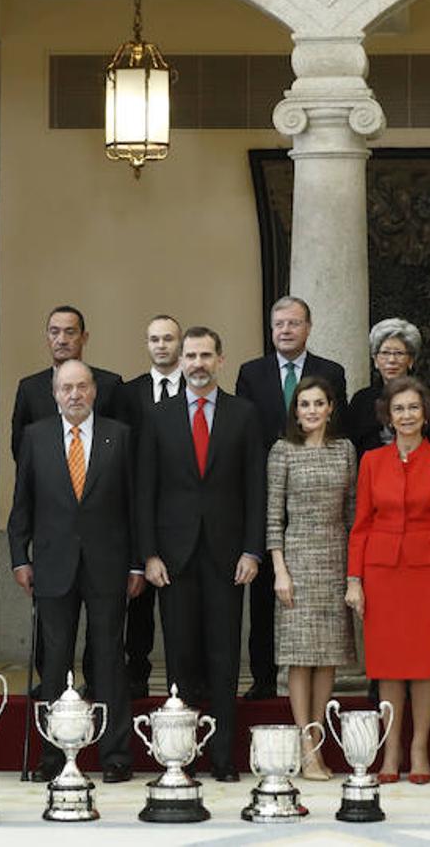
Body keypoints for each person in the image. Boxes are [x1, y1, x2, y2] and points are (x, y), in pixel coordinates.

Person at [138, 326, 265, 781]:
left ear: (220, 360)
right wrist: (149, 554)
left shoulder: (244, 414)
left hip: (229, 557)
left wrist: (253, 550)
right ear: (180, 360)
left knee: (225, 658)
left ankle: (224, 758)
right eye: (190, 355)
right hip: (173, 559)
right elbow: (145, 491)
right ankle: (181, 756)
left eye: (205, 355)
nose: (196, 363)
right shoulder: (157, 416)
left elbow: (256, 488)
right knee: (179, 659)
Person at [8, 360, 141, 784]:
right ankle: (53, 753)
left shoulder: (119, 436)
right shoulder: (36, 436)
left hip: (108, 565)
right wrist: (18, 557)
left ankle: (115, 755)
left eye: (82, 386)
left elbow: (134, 506)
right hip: (52, 565)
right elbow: (22, 504)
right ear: (54, 393)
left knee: (108, 661)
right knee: (55, 662)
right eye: (66, 388)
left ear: (94, 391)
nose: (75, 395)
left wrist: (137, 562)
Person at [346, 376, 430, 784]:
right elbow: (360, 526)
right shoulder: (371, 461)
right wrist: (354, 580)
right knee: (389, 667)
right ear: (388, 416)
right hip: (381, 574)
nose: (407, 415)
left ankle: (419, 747)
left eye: (414, 408)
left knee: (424, 666)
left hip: (429, 573)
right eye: (399, 409)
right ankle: (391, 747)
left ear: (425, 414)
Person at [234, 296, 347, 701]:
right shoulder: (251, 372)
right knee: (265, 594)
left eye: (293, 323)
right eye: (279, 323)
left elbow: (339, 430)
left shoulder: (330, 372)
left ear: (308, 327)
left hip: (316, 490)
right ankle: (263, 678)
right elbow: (244, 433)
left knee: (316, 610)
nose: (285, 330)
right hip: (267, 488)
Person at [266, 377, 357, 780]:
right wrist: (279, 570)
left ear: (331, 407)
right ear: (295, 410)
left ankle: (317, 739)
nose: (312, 411)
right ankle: (306, 748)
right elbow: (273, 518)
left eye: (319, 403)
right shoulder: (283, 450)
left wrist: (355, 572)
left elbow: (355, 514)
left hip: (336, 556)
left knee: (328, 658)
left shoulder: (345, 450)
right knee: (300, 658)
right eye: (304, 404)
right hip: (297, 559)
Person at [116, 314, 187, 699]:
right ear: (147, 344)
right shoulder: (129, 393)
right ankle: (136, 673)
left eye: (169, 339)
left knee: (182, 606)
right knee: (139, 600)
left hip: (182, 514)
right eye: (155, 339)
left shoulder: (195, 390)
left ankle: (186, 678)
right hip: (138, 510)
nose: (162, 345)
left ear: (179, 344)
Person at [11, 305, 124, 461]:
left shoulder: (110, 385)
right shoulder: (29, 388)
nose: (62, 340)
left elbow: (121, 445)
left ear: (84, 337)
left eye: (70, 332)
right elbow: (20, 447)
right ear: (47, 337)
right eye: (54, 332)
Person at [346, 318, 430, 456]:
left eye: (399, 353)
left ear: (411, 360)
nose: (391, 360)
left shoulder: (429, 396)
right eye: (385, 353)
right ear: (375, 360)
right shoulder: (362, 400)